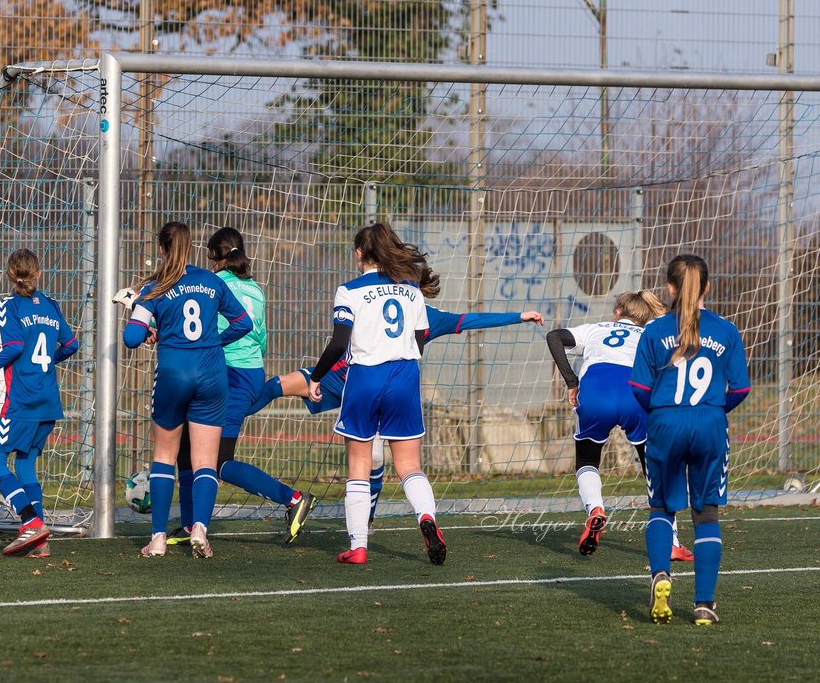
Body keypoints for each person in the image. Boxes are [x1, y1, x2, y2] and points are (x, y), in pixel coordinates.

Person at [247, 304, 544, 524]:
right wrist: (520, 316)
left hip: (368, 389)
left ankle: (365, 524)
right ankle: (230, 419)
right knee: (277, 385)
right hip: (343, 379)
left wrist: (517, 316)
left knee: (374, 461)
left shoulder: (425, 313)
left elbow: (470, 320)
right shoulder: (377, 299)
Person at [169, 227, 316, 547]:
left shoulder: (215, 285)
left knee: (217, 461)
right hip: (250, 373)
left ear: (214, 258)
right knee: (185, 449)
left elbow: (208, 331)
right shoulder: (256, 290)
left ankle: (292, 499)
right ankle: (189, 524)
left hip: (229, 375)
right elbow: (260, 338)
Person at [307, 221, 443, 566]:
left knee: (359, 465)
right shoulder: (411, 290)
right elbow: (421, 337)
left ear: (359, 254)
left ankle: (359, 546)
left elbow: (339, 342)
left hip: (366, 376)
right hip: (405, 375)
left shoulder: (349, 291)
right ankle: (427, 518)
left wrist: (317, 377)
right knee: (410, 464)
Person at [630, 254, 750, 626]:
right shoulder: (726, 330)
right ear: (707, 287)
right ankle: (703, 605)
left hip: (665, 423)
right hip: (710, 424)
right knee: (706, 514)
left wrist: (664, 411)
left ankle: (660, 575)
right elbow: (742, 388)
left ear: (669, 288)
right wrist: (714, 409)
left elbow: (638, 387)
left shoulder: (654, 331)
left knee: (662, 509)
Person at [122, 221, 254, 559]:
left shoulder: (154, 287)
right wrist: (212, 341)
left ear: (162, 250)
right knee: (205, 462)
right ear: (192, 247)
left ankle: (157, 539)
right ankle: (200, 529)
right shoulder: (211, 281)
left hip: (174, 374)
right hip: (212, 375)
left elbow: (131, 338)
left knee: (165, 458)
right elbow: (244, 323)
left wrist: (152, 326)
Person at [546, 290, 695, 561]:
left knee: (587, 461)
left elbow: (554, 337)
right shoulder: (651, 333)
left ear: (617, 312)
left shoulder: (594, 329)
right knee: (655, 470)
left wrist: (571, 382)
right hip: (634, 395)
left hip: (595, 393)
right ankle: (671, 542)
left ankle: (596, 510)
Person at [0, 248, 78, 558]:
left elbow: (14, 346)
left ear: (9, 275)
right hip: (49, 401)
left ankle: (30, 522)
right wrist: (49, 362)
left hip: (22, 400)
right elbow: (72, 344)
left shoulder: (9, 306)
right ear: (38, 274)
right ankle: (40, 541)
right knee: (25, 464)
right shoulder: (52, 305)